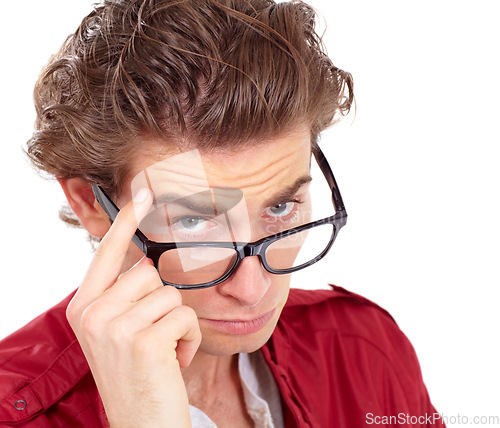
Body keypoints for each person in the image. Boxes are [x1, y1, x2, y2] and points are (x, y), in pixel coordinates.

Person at [0, 0, 445, 426]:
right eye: (194, 222)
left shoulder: (364, 349)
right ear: (89, 202)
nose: (252, 290)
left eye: (281, 206)